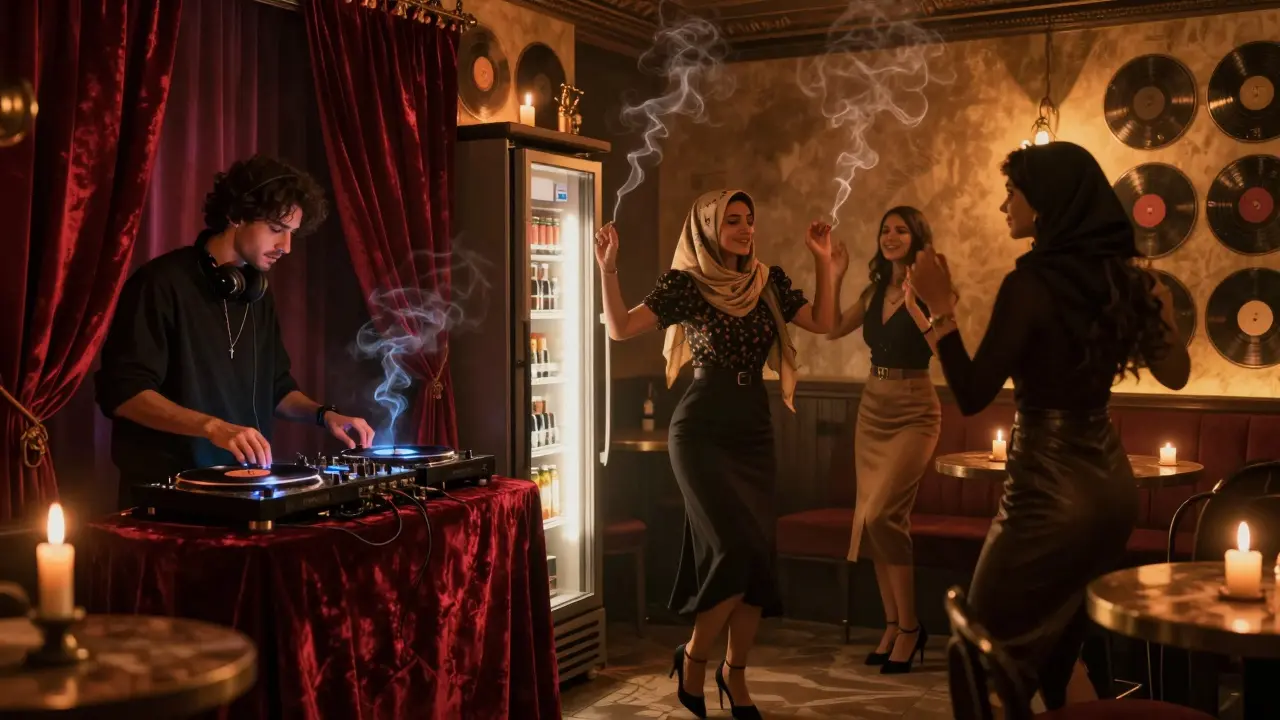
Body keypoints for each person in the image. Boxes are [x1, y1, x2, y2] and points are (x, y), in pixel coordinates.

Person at [905, 141, 1190, 709]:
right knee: (1061, 645)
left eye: (1013, 190)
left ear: (1047, 200)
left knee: (977, 651)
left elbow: (972, 393)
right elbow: (1177, 373)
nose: (1003, 203)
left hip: (1048, 489)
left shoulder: (1030, 284)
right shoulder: (1122, 281)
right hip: (1110, 488)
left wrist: (941, 311)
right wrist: (1160, 307)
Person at [595, 189, 835, 719]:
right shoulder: (688, 283)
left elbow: (824, 321)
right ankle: (696, 658)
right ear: (707, 228)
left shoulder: (766, 281)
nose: (745, 230)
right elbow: (619, 328)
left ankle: (735, 675)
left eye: (749, 220)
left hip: (754, 425)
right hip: (701, 428)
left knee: (755, 557)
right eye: (732, 221)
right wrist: (608, 270)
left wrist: (824, 264)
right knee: (733, 547)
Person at [96, 154, 375, 508]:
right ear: (236, 215)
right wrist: (213, 427)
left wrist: (325, 414)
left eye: (292, 233)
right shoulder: (160, 284)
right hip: (171, 501)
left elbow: (277, 388)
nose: (286, 247)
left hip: (245, 491)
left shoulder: (256, 293)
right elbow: (124, 395)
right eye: (276, 229)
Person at [827, 206, 944, 675]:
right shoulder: (876, 290)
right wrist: (834, 275)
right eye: (885, 229)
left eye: (902, 230)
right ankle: (893, 625)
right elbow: (833, 327)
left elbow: (944, 350)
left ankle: (913, 627)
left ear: (918, 239)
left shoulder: (930, 290)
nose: (891, 236)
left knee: (884, 515)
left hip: (916, 408)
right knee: (872, 523)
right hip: (873, 408)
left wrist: (920, 311)